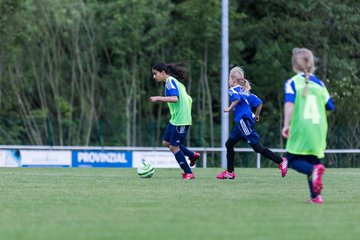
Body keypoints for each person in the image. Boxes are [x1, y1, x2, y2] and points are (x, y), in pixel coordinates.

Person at [282, 48, 335, 204]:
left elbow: (289, 104)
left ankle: (314, 172)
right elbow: (330, 105)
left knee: (290, 160)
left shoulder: (292, 82)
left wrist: (286, 124)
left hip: (301, 127)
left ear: (294, 66)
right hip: (318, 128)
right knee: (312, 162)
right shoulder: (319, 83)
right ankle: (316, 197)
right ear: (311, 64)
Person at [216, 66, 288, 179]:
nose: (229, 82)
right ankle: (230, 172)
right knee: (229, 144)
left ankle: (281, 161)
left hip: (243, 122)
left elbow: (236, 99)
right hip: (241, 123)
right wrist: (257, 115)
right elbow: (259, 103)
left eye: (229, 79)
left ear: (233, 80)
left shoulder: (233, 90)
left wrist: (229, 108)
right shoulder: (245, 92)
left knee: (257, 148)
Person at [149, 63, 200, 180]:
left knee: (174, 147)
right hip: (176, 118)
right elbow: (188, 98)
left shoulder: (170, 82)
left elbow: (175, 98)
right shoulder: (176, 83)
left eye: (155, 74)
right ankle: (193, 156)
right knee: (166, 143)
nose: (154, 76)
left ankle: (189, 173)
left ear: (163, 72)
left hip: (181, 120)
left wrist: (158, 98)